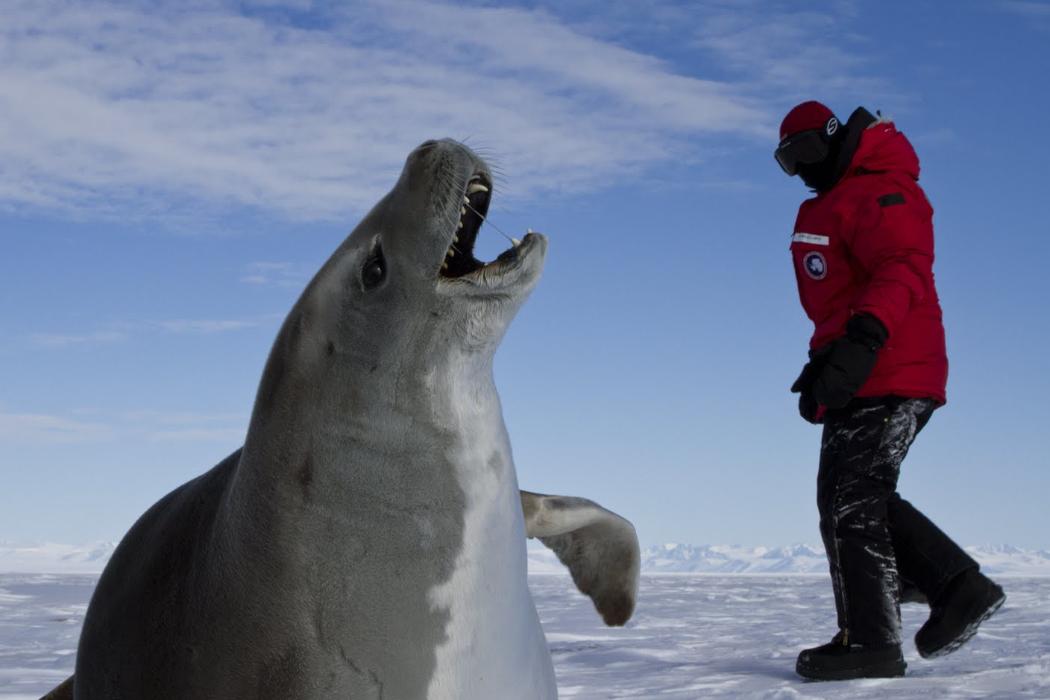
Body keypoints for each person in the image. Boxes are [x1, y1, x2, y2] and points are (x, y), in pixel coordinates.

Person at [775, 101, 1006, 681]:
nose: (800, 170)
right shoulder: (832, 201)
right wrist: (823, 368)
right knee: (846, 496)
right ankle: (884, 612)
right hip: (862, 364)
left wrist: (862, 342)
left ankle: (931, 602)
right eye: (786, 161)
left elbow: (902, 267)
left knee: (854, 495)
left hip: (892, 364)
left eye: (805, 153)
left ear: (833, 140)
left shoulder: (881, 189)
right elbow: (835, 301)